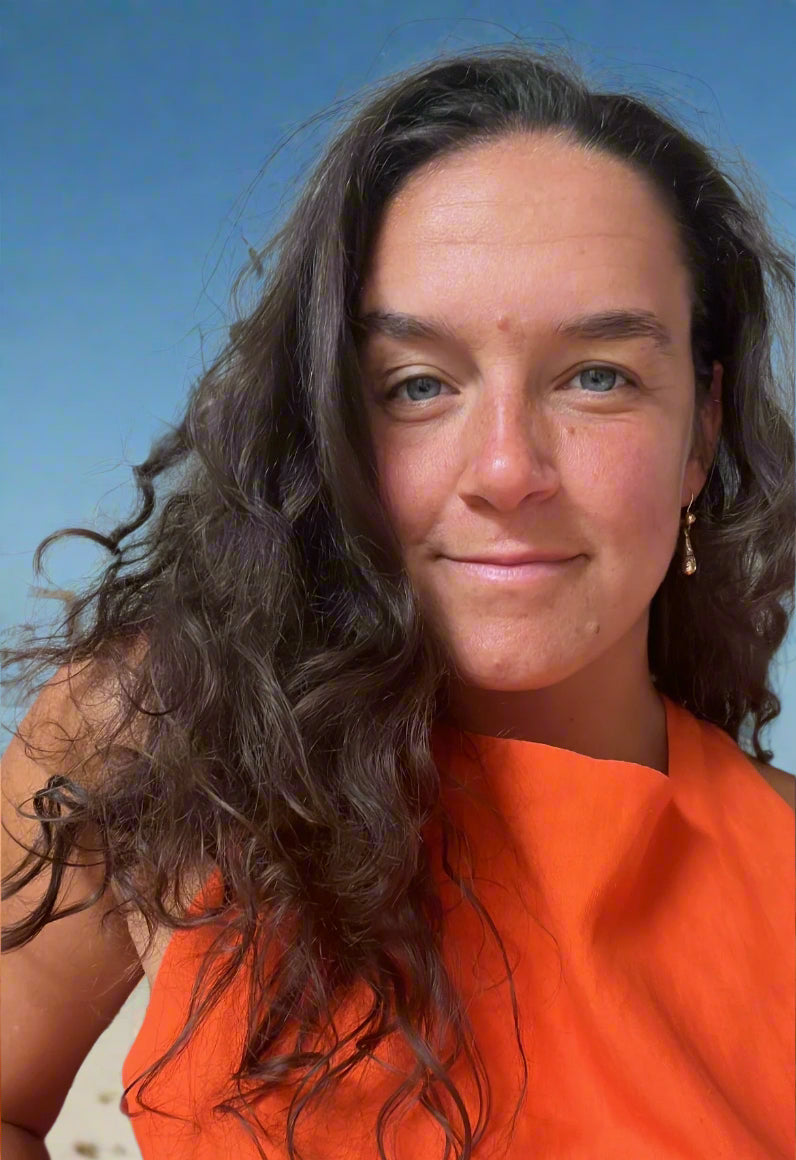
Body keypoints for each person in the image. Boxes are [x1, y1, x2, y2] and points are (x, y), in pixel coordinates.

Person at [2, 43, 794, 1160]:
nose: (506, 469)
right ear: (326, 426)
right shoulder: (159, 746)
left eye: (596, 375)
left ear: (702, 428)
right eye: (417, 385)